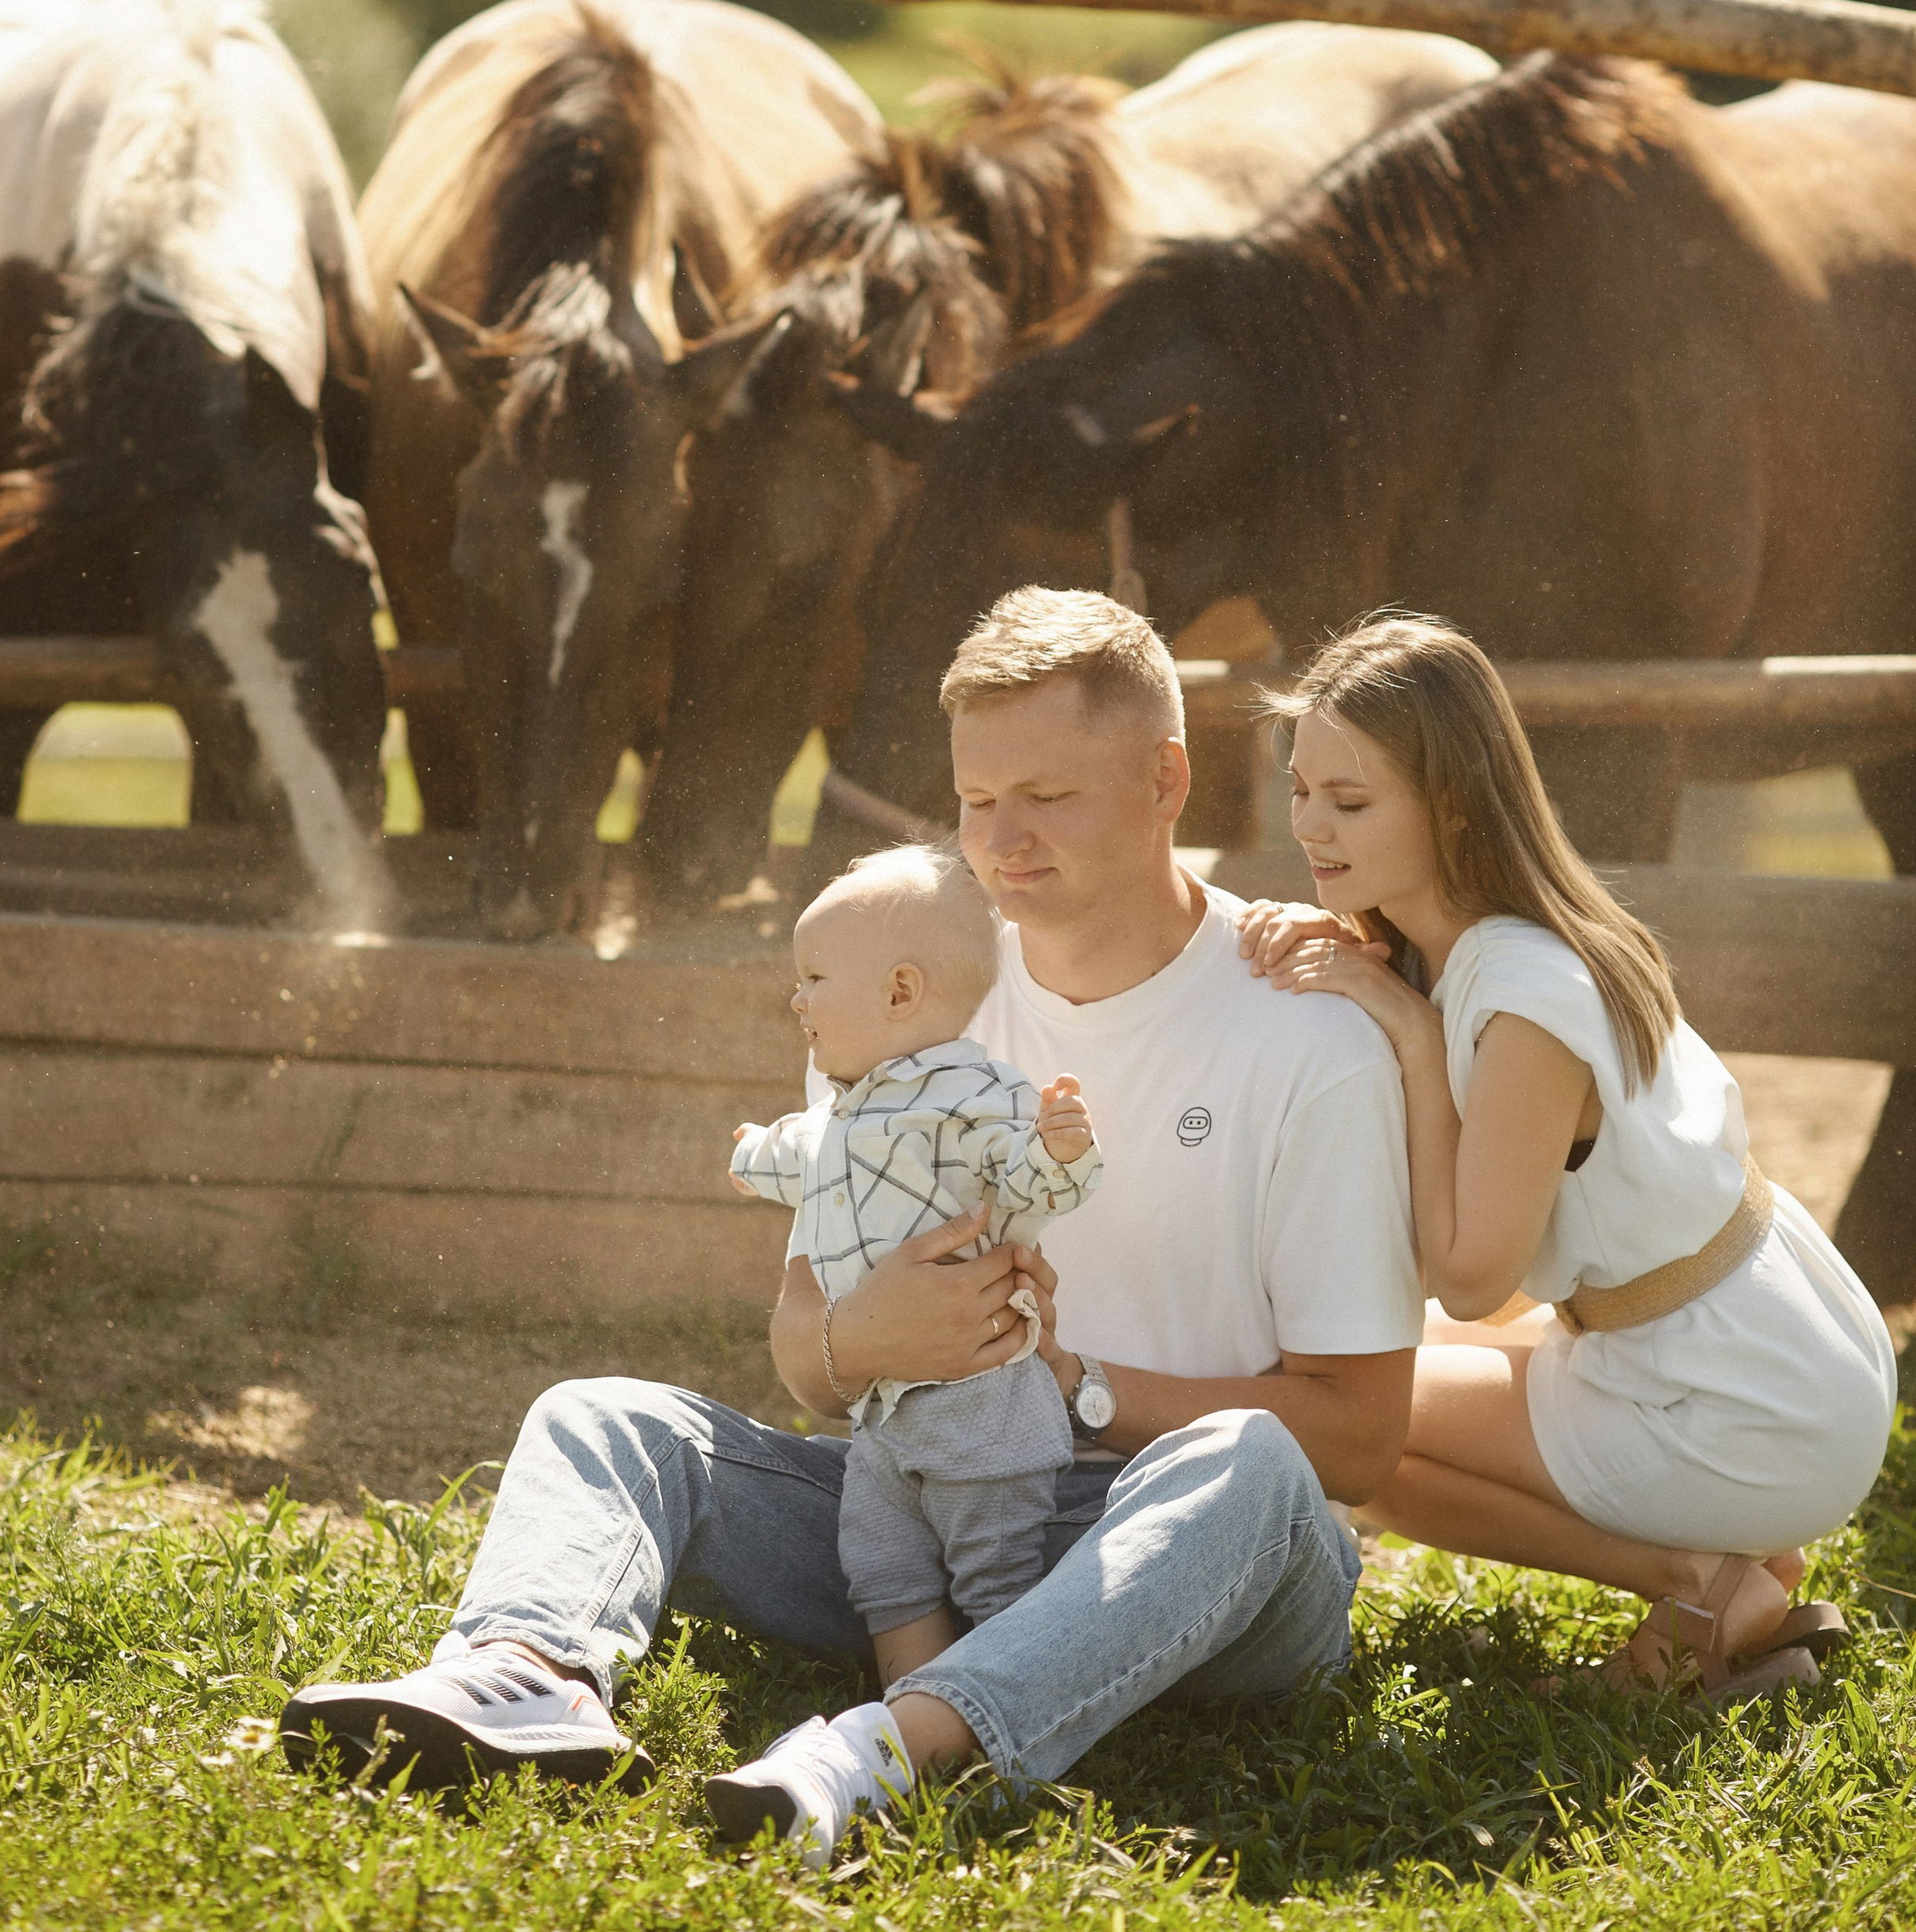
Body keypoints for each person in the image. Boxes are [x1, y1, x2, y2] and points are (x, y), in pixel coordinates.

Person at [279, 588, 1423, 1864]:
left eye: (1046, 797)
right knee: (606, 1417)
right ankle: (524, 1675)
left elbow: (1362, 1441)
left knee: (1251, 1458)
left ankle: (885, 1751)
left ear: (1167, 778)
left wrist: (1069, 1385)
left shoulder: (1307, 1034)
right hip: (938, 1509)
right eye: (977, 802)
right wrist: (864, 1337)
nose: (1004, 840)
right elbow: (808, 1359)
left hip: (1207, 1563)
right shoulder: (912, 993)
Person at [1239, 610, 1896, 1702]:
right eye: (1301, 789)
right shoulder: (1489, 936)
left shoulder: (1522, 1000)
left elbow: (1472, 1276)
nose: (1311, 824)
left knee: (1354, 1437)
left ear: (1451, 809)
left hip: (1741, 1396)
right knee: (1352, 1389)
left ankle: (1700, 1582)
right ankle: (1732, 1567)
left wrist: (1403, 1033)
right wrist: (1356, 963)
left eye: (1349, 803)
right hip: (1747, 1329)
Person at [723, 845, 1102, 1720]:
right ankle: (907, 1718)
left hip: (980, 1403)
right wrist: (750, 1155)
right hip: (884, 1414)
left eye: (814, 976)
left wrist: (1058, 1150)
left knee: (995, 1567)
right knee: (883, 1566)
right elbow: (800, 1150)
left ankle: (1004, 1708)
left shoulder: (975, 1095)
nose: (796, 997)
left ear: (899, 992)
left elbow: (1025, 1186)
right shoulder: (841, 1108)